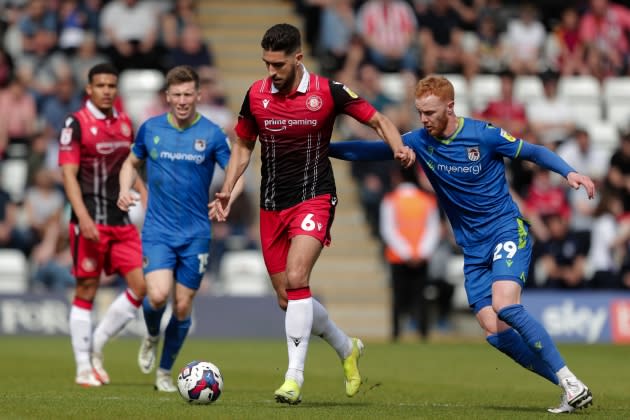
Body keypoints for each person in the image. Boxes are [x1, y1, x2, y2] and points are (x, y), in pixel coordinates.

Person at [328, 75, 595, 414]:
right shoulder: (420, 141)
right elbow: (369, 150)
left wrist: (569, 173)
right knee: (492, 328)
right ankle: (567, 385)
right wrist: (323, 147)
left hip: (506, 231)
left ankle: (569, 378)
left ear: (450, 107)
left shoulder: (484, 134)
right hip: (472, 248)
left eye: (430, 112)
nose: (423, 119)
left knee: (506, 306)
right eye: (419, 112)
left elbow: (534, 151)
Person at [211, 23, 414, 405]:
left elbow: (378, 119)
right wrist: (227, 187)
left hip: (314, 197)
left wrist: (398, 147)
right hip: (272, 205)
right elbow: (242, 143)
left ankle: (293, 378)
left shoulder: (328, 92)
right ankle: (346, 347)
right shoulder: (256, 95)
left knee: (298, 276)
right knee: (288, 299)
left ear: (298, 58)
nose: (271, 71)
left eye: (278, 64)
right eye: (266, 63)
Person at [117, 65, 243, 392]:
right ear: (168, 97)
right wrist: (123, 188)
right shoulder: (151, 129)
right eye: (177, 95)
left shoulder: (213, 134)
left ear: (198, 95)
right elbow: (131, 162)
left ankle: (164, 371)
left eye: (189, 94)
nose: (183, 100)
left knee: (184, 305)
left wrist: (227, 196)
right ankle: (152, 335)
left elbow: (236, 173)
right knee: (157, 296)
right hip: (158, 230)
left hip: (196, 233)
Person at [58, 62, 147, 387]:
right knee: (86, 289)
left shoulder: (125, 123)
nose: (107, 91)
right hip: (89, 221)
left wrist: (143, 193)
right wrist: (82, 217)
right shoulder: (76, 123)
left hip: (121, 221)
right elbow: (68, 174)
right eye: (101, 85)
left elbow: (130, 165)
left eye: (112, 85)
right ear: (89, 89)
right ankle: (83, 366)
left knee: (142, 286)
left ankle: (95, 345)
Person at [379, 165, 440, 341]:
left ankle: (397, 333)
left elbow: (388, 229)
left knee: (398, 297)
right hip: (422, 256)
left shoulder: (391, 200)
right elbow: (433, 229)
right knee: (421, 296)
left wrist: (406, 253)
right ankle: (423, 332)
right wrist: (421, 252)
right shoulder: (427, 200)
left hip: (398, 257)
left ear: (397, 177)